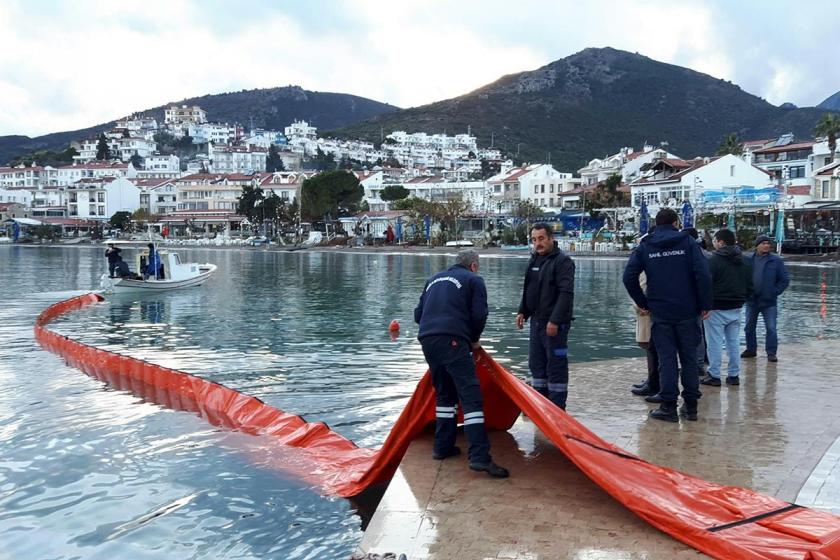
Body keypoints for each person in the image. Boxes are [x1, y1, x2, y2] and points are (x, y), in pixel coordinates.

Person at [414, 249, 508, 478]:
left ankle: (442, 447)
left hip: (427, 339)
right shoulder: (474, 280)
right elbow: (479, 314)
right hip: (453, 340)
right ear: (474, 266)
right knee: (471, 397)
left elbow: (418, 315)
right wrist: (473, 339)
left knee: (445, 395)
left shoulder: (433, 280)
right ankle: (479, 457)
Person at [623, 208, 712, 422]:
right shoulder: (689, 244)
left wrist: (643, 303)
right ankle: (691, 408)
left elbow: (628, 277)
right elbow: (703, 275)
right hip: (688, 310)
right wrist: (705, 304)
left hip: (660, 312)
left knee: (667, 360)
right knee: (689, 359)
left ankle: (668, 407)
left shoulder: (646, 246)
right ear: (675, 223)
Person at [516, 223, 575, 409]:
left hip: (555, 325)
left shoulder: (563, 262)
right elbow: (528, 289)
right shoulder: (534, 260)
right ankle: (540, 405)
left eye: (541, 239)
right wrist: (522, 311)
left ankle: (557, 407)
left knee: (555, 366)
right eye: (534, 240)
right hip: (536, 321)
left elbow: (566, 293)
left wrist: (555, 320)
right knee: (537, 364)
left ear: (551, 238)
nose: (537, 243)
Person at [701, 229, 753, 387]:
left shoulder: (714, 260)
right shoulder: (745, 260)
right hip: (737, 307)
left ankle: (714, 375)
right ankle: (733, 375)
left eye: (715, 240)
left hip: (716, 307)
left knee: (714, 342)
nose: (714, 243)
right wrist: (743, 299)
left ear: (721, 242)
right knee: (734, 342)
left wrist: (704, 305)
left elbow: (706, 284)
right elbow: (750, 285)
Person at [742, 234, 790, 362]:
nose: (766, 245)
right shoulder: (748, 260)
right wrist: (746, 292)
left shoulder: (776, 261)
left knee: (771, 328)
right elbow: (743, 277)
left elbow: (784, 280)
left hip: (769, 301)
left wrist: (775, 291)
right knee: (748, 327)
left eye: (768, 243)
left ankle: (771, 352)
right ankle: (751, 350)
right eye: (763, 243)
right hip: (752, 300)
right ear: (757, 245)